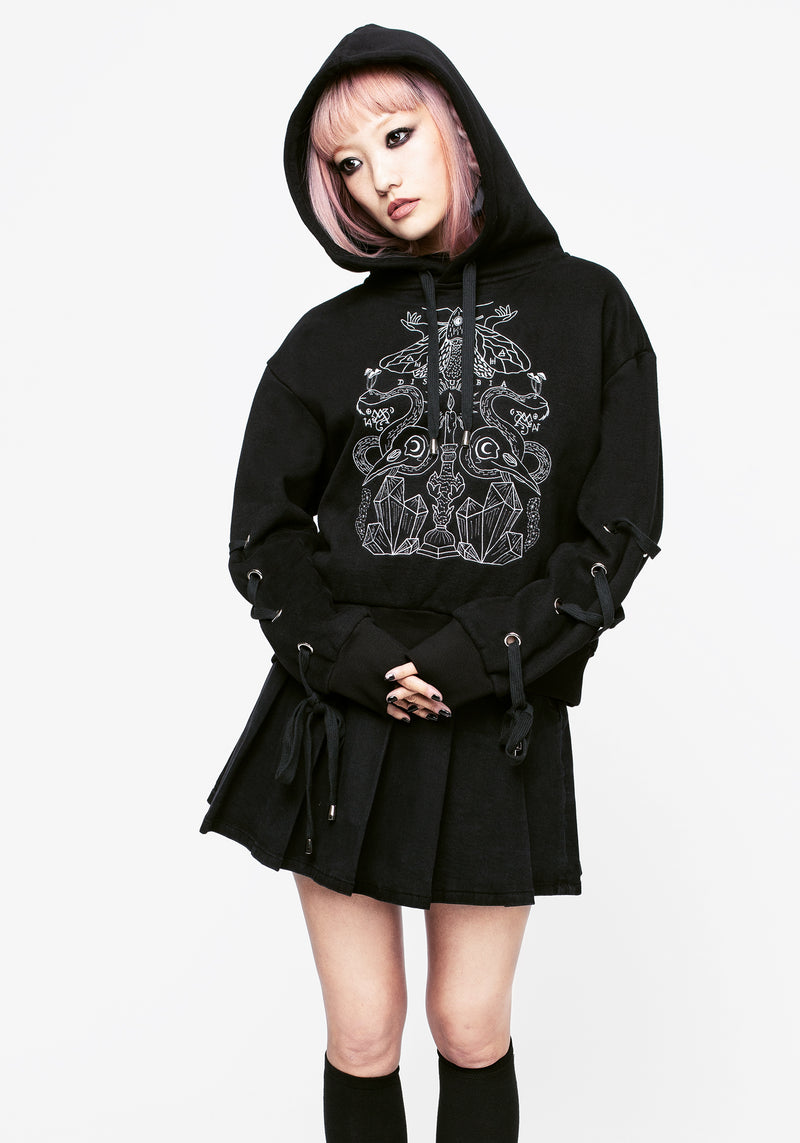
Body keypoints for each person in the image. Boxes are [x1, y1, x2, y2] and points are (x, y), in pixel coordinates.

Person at [200, 23, 663, 1143]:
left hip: (497, 708)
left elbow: (618, 527)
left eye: (397, 137)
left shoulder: (590, 308)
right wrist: (352, 658)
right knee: (363, 1033)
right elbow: (261, 534)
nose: (379, 178)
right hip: (337, 711)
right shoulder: (320, 341)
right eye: (349, 163)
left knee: (467, 1022)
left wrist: (478, 657)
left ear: (456, 125)